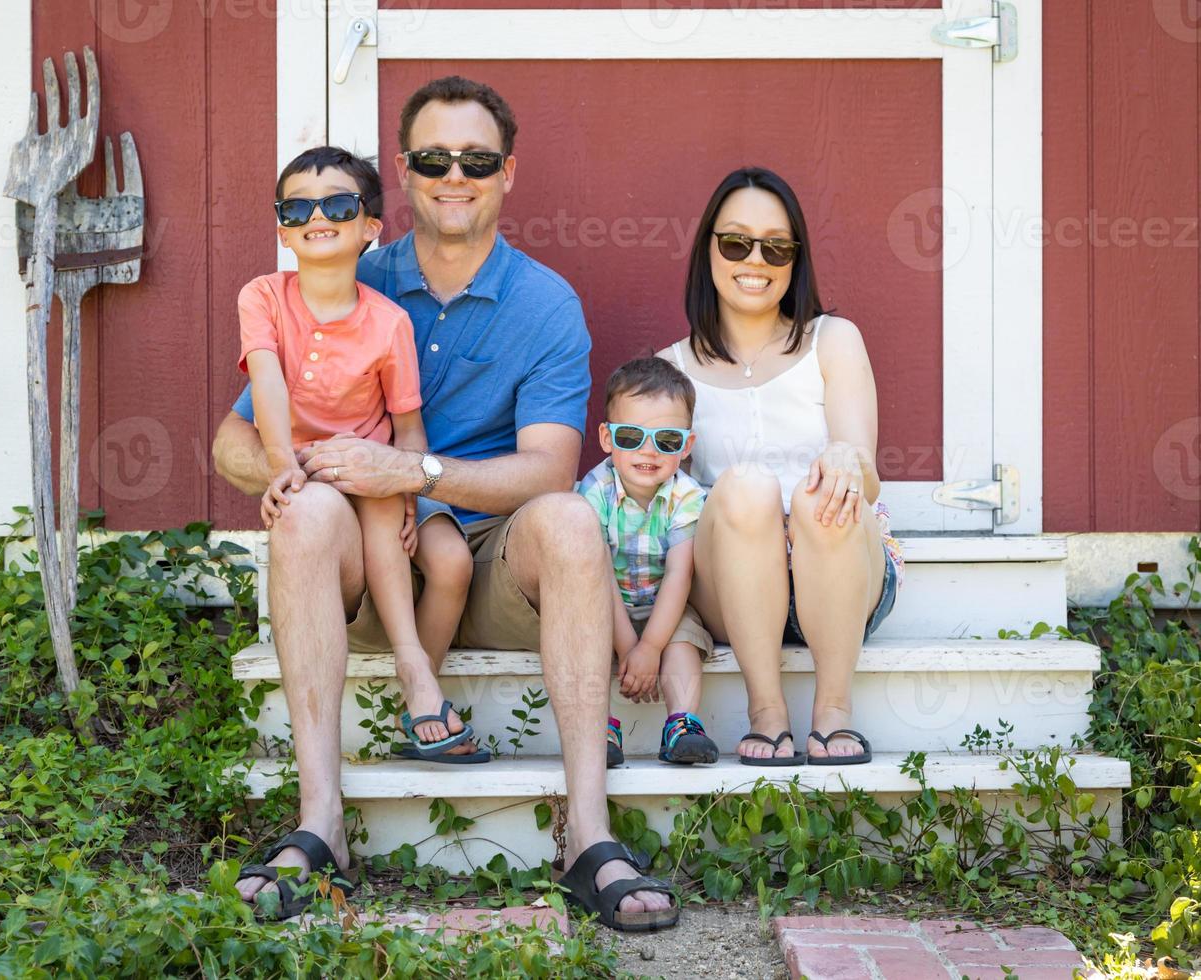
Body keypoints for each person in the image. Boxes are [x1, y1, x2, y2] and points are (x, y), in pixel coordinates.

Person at [213, 76, 679, 929]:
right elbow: (233, 442)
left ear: (509, 173)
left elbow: (548, 467)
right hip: (368, 565)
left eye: (476, 158)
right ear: (402, 173)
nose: (453, 174)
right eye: (433, 158)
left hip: (495, 562)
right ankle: (321, 825)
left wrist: (412, 474)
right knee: (309, 511)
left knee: (573, 518)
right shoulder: (345, 266)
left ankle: (588, 833)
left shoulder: (544, 304)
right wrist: (293, 473)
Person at [237, 145, 480, 766]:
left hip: (369, 467)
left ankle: (414, 669)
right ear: (282, 227)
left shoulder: (388, 321)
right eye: (297, 206)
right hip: (306, 468)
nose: (317, 215)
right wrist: (279, 462)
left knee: (377, 499)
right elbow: (265, 380)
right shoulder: (262, 296)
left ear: (370, 227)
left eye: (338, 204)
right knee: (323, 497)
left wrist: (406, 490)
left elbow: (406, 426)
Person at [659, 166, 904, 767]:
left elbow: (863, 478)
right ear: (709, 250)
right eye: (737, 241)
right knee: (744, 486)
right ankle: (767, 712)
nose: (756, 260)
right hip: (734, 589)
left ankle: (833, 712)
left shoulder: (833, 339)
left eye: (777, 246)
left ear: (795, 259)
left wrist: (848, 455)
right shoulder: (671, 369)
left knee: (825, 485)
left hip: (842, 571)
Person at [576, 357, 718, 768]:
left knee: (684, 641)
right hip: (606, 600)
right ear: (606, 437)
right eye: (632, 436)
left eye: (667, 440)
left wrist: (652, 645)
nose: (649, 451)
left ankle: (682, 725)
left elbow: (680, 573)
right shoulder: (595, 490)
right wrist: (627, 647)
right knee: (587, 635)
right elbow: (597, 572)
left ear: (687, 445)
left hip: (666, 606)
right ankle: (597, 726)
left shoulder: (687, 497)